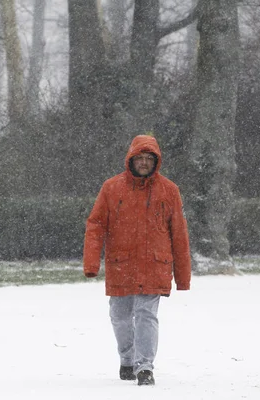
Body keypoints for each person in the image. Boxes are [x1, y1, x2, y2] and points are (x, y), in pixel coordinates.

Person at [83, 134, 192, 386]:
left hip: (155, 265)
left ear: (156, 162)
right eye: (139, 158)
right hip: (121, 265)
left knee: (145, 314)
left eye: (148, 159)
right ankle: (127, 359)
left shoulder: (169, 190)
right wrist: (91, 263)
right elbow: (96, 225)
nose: (144, 163)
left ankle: (145, 367)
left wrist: (182, 276)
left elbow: (179, 234)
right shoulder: (111, 188)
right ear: (130, 159)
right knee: (119, 315)